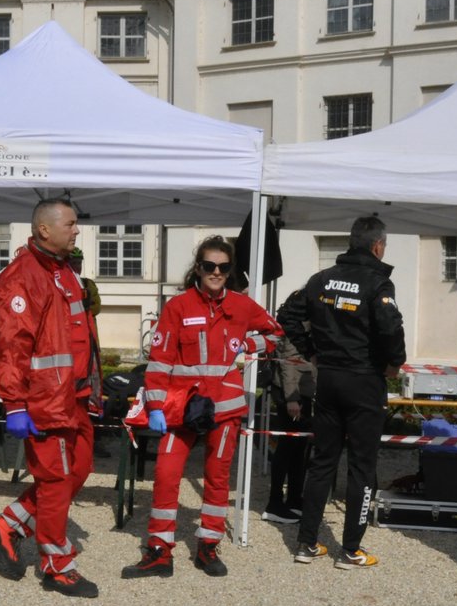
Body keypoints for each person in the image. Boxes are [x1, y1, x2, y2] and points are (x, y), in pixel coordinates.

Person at [121, 236, 280, 579]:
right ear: (198, 267)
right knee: (165, 474)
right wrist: (157, 406)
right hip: (183, 408)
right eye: (210, 266)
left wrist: (247, 343)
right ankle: (159, 551)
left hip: (225, 408)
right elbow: (160, 361)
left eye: (223, 267)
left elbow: (275, 333)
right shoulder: (178, 307)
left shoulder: (241, 304)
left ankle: (208, 545)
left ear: (230, 270)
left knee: (217, 477)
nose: (216, 272)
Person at [0, 197, 103, 599]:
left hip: (75, 397)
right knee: (56, 481)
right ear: (44, 229)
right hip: (47, 402)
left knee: (76, 473)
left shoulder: (64, 271)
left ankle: (6, 527)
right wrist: (14, 403)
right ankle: (57, 566)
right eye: (70, 223)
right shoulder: (22, 277)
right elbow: (12, 348)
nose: (77, 230)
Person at [276, 215, 406, 570]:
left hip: (329, 379)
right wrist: (395, 362)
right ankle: (350, 550)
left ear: (351, 243)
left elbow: (286, 314)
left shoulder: (321, 279)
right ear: (378, 246)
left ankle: (306, 543)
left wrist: (312, 351)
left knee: (322, 462)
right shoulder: (378, 282)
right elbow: (390, 326)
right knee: (362, 467)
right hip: (364, 380)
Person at [263, 286, 315, 524]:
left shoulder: (305, 321)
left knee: (299, 449)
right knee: (286, 448)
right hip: (291, 392)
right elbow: (287, 363)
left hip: (302, 390)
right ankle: (275, 503)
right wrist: (292, 398)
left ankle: (294, 498)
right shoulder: (295, 323)